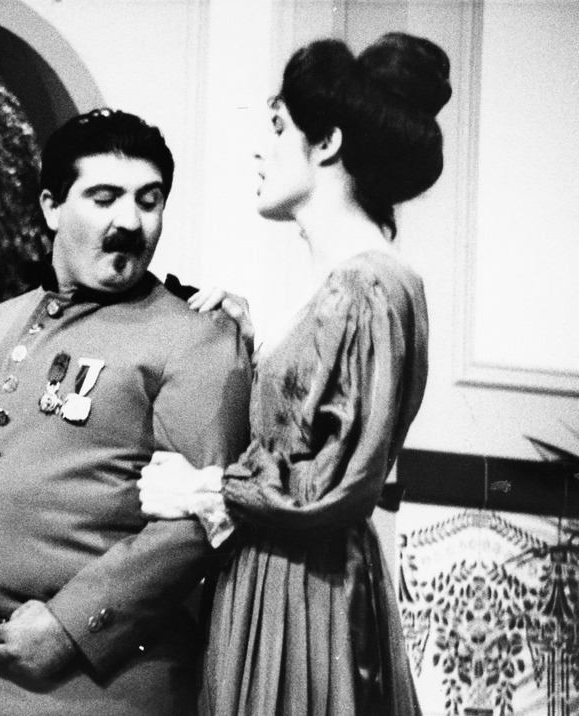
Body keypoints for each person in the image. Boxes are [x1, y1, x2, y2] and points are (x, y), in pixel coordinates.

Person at [0, 108, 253, 716]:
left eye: (149, 200)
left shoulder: (198, 338)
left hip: (107, 692)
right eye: (104, 198)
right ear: (52, 207)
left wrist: (72, 626)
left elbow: (197, 524)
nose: (129, 221)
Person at [138, 32, 450, 716]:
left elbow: (332, 483)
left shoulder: (369, 286)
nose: (261, 149)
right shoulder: (343, 288)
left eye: (278, 127)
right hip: (279, 581)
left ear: (328, 143)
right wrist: (259, 349)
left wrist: (202, 488)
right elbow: (308, 432)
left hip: (308, 592)